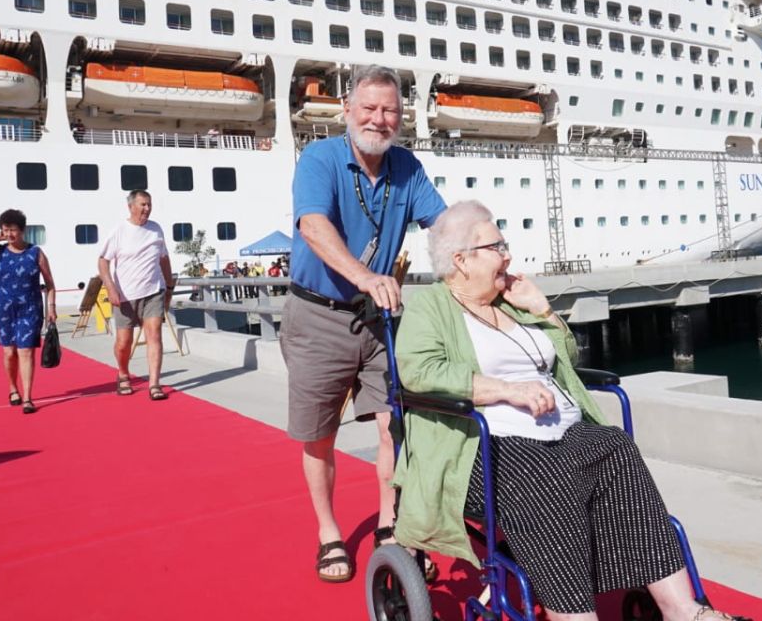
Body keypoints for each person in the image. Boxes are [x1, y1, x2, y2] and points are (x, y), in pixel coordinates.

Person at [392, 201, 735, 621]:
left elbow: (566, 359)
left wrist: (542, 309)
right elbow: (419, 370)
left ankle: (683, 610)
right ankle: (573, 614)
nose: (508, 255)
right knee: (547, 477)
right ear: (462, 260)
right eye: (497, 245)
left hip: (561, 431)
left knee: (614, 447)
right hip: (484, 446)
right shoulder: (432, 304)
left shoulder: (510, 300)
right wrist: (505, 389)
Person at [282, 64, 446, 583]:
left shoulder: (406, 167)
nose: (379, 119)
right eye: (370, 108)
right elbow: (313, 225)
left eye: (390, 110)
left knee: (393, 424)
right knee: (319, 436)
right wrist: (364, 275)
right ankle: (329, 531)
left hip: (378, 321)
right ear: (348, 110)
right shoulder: (319, 158)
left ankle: (390, 523)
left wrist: (485, 252)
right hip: (317, 315)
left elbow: (444, 226)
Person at [0, 210, 58, 415]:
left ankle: (27, 396)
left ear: (23, 230)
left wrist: (51, 307)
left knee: (26, 351)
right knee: (9, 353)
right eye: (5, 229)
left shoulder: (36, 253)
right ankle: (12, 387)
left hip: (30, 308)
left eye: (13, 230)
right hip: (4, 309)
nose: (9, 234)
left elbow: (50, 284)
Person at [98, 189, 175, 401]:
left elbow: (164, 259)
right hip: (124, 295)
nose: (147, 209)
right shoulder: (119, 231)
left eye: (149, 204)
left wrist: (168, 287)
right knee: (124, 342)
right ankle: (123, 373)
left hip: (153, 291)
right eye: (143, 204)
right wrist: (110, 287)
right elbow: (103, 261)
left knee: (154, 334)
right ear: (130, 206)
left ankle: (154, 383)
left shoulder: (156, 230)